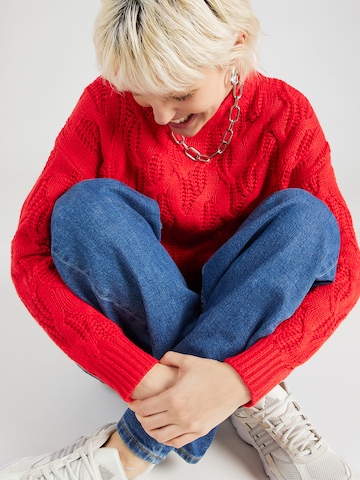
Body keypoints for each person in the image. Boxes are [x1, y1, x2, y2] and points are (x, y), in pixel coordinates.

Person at [2, 0, 359, 479]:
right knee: (85, 208)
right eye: (144, 96)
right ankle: (260, 399)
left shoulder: (283, 113)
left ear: (235, 47)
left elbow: (348, 269)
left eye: (180, 93)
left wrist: (235, 380)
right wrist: (139, 372)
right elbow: (30, 255)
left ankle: (124, 455)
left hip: (245, 305)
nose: (159, 115)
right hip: (136, 327)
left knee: (310, 221)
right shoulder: (105, 104)